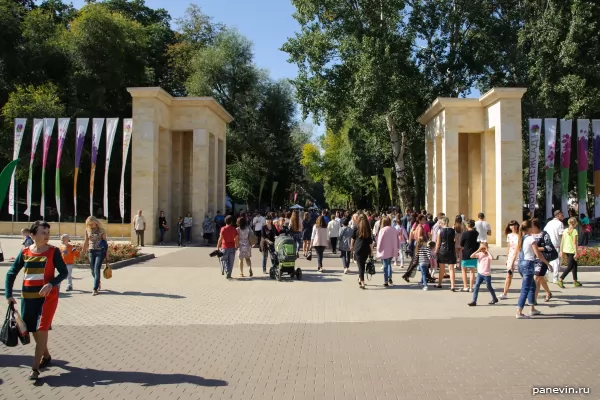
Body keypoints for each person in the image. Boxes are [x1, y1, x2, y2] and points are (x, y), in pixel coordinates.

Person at [5, 220, 68, 380]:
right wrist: (8, 294)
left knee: (41, 329)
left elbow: (63, 273)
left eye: (48, 232)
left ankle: (35, 368)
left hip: (47, 299)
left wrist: (51, 283)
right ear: (33, 235)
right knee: (33, 329)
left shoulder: (53, 252)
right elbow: (11, 273)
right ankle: (46, 357)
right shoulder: (25, 251)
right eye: (42, 232)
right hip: (27, 298)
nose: (46, 236)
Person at [516, 219, 548, 319]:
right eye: (533, 226)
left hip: (521, 264)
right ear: (530, 228)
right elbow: (537, 253)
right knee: (525, 289)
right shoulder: (531, 239)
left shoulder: (522, 238)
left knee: (532, 286)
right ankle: (519, 312)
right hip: (528, 265)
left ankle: (532, 309)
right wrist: (547, 263)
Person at [82, 216, 107, 296]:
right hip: (91, 251)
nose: (91, 226)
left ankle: (95, 288)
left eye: (92, 224)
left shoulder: (102, 230)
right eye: (89, 224)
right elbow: (86, 241)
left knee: (96, 269)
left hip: (100, 251)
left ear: (96, 223)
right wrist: (83, 251)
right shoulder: (87, 230)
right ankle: (98, 281)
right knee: (92, 270)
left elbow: (105, 242)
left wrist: (107, 253)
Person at [531, 218, 554, 303]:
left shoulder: (544, 234)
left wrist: (536, 249)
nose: (530, 228)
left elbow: (549, 247)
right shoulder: (530, 235)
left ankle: (534, 300)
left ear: (536, 226)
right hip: (532, 258)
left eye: (532, 226)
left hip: (542, 258)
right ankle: (548, 292)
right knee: (540, 277)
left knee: (536, 277)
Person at [557, 217, 582, 288]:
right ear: (575, 223)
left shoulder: (565, 231)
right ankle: (561, 279)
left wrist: (561, 251)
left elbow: (562, 241)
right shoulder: (575, 231)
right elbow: (575, 243)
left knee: (574, 265)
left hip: (566, 250)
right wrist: (576, 253)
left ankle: (575, 281)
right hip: (571, 250)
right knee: (570, 266)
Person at [351, 214, 374, 289]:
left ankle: (362, 282)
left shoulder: (356, 227)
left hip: (357, 248)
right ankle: (360, 278)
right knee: (362, 265)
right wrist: (371, 251)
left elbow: (353, 238)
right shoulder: (368, 228)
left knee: (360, 266)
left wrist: (351, 247)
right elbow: (370, 241)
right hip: (365, 249)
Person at [499, 220, 520, 300]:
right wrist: (507, 258)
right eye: (511, 225)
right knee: (509, 275)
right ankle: (505, 293)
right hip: (511, 256)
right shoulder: (509, 235)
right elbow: (509, 247)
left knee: (524, 275)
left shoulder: (520, 234)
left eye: (514, 225)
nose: (513, 227)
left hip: (519, 256)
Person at [376, 216, 399, 287]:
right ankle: (390, 277)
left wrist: (378, 249)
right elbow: (397, 239)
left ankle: (386, 280)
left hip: (384, 249)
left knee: (385, 265)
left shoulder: (382, 230)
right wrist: (397, 248)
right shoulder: (394, 229)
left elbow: (379, 241)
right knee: (389, 264)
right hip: (392, 249)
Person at [435, 217, 456, 290]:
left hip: (442, 251)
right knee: (451, 269)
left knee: (442, 269)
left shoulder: (440, 231)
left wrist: (436, 251)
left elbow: (438, 243)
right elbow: (455, 241)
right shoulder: (453, 231)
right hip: (451, 250)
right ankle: (453, 286)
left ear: (442, 223)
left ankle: (439, 284)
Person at [544, 210, 564, 284]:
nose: (563, 216)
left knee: (548, 261)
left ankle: (545, 274)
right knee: (556, 262)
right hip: (556, 245)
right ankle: (555, 278)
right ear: (558, 215)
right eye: (562, 215)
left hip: (548, 245)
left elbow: (544, 232)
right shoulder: (560, 224)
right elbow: (561, 235)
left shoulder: (549, 223)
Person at [216, 215, 238, 279]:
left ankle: (227, 270)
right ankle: (229, 273)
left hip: (224, 247)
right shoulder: (234, 229)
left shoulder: (223, 229)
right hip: (232, 247)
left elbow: (220, 239)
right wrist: (236, 245)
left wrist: (217, 246)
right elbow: (236, 238)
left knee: (224, 260)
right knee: (231, 262)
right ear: (231, 222)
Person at [459, 220, 479, 292]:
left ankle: (465, 286)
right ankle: (471, 287)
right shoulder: (476, 233)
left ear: (467, 225)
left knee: (464, 270)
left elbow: (461, 244)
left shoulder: (465, 233)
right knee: (472, 271)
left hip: (466, 253)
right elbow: (478, 243)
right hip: (474, 253)